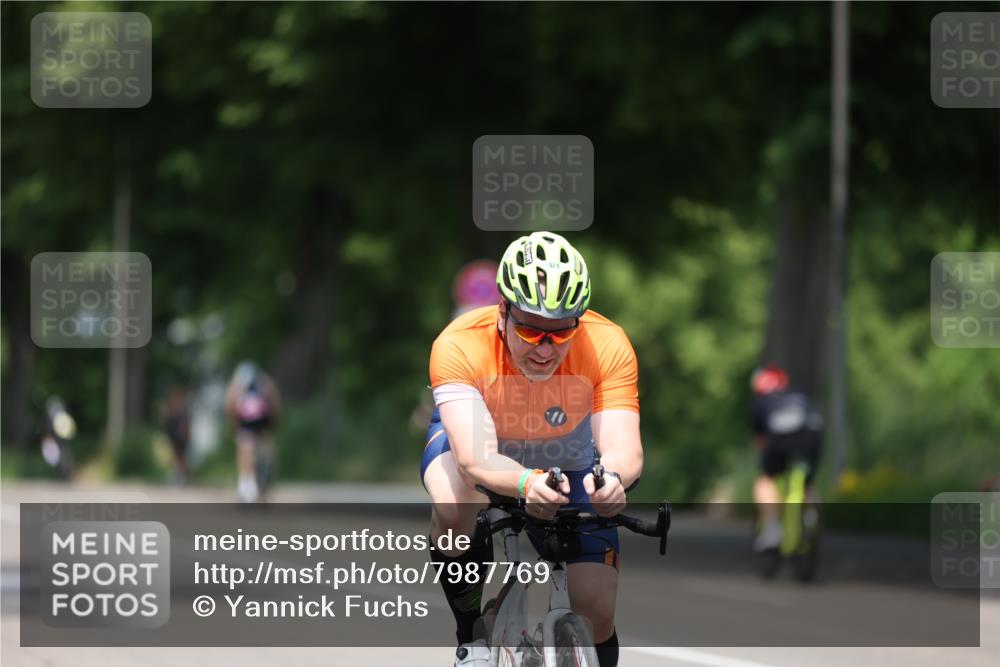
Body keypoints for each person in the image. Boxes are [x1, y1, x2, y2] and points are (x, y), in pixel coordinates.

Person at [423, 232, 642, 667]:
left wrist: (613, 480)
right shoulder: (459, 343)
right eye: (529, 330)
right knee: (453, 502)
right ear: (502, 310)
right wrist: (526, 483)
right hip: (483, 445)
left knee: (596, 610)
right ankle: (471, 636)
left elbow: (623, 445)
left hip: (568, 458)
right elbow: (474, 458)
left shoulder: (607, 343)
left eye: (560, 334)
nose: (544, 348)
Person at [749, 363, 823, 552]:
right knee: (806, 480)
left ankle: (772, 529)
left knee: (765, 481)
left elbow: (760, 441)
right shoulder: (799, 397)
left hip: (779, 437)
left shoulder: (761, 402)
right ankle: (810, 516)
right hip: (811, 436)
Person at [224, 361, 281, 503]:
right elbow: (275, 404)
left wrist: (234, 427)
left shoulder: (236, 386)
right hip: (263, 425)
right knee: (264, 453)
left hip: (246, 425)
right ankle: (259, 486)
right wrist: (272, 425)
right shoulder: (266, 383)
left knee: (245, 451)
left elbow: (230, 405)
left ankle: (247, 487)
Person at [160, 385, 191, 485]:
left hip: (181, 437)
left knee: (181, 457)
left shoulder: (183, 411)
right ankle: (177, 475)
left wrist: (185, 434)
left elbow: (185, 425)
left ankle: (182, 477)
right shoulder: (172, 410)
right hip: (173, 435)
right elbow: (167, 423)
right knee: (174, 456)